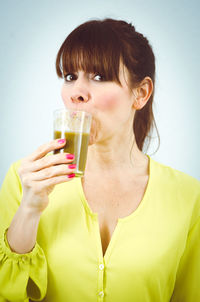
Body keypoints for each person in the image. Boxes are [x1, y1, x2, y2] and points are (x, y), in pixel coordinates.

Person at [0, 18, 199, 302]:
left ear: (140, 93)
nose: (77, 92)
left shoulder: (189, 197)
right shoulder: (25, 180)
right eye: (70, 76)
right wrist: (28, 211)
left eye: (98, 76)